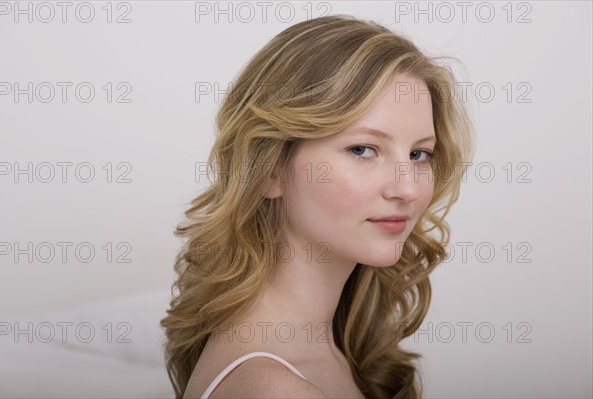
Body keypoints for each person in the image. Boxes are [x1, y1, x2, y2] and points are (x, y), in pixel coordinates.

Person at [161, 14, 473, 399]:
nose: (407, 188)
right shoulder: (274, 388)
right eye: (363, 149)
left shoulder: (330, 348)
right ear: (269, 169)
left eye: (419, 153)